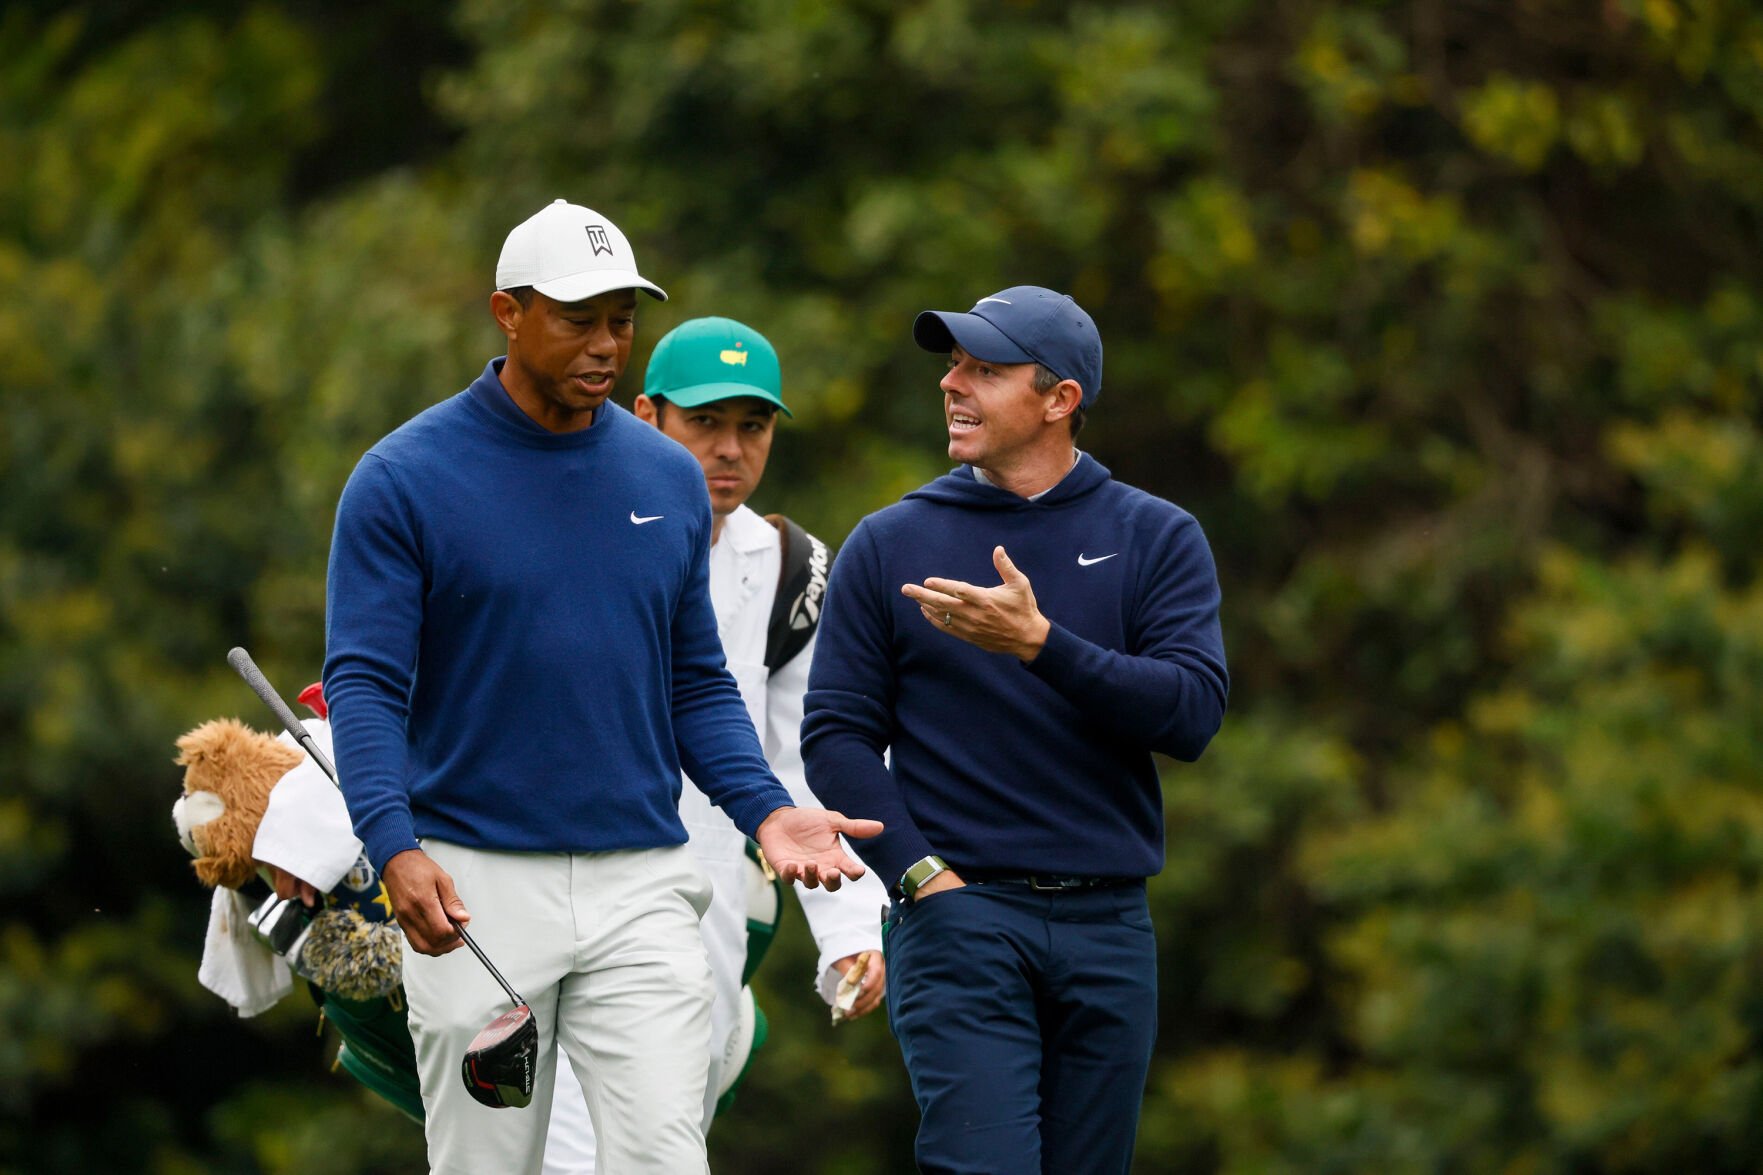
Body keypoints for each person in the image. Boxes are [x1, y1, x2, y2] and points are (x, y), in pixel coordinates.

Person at [323, 199, 880, 1175]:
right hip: (473, 882)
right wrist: (392, 846)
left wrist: (766, 810)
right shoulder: (403, 477)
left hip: (641, 881)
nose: (605, 343)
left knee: (665, 1156)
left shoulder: (663, 476)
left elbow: (697, 684)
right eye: (577, 317)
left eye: (620, 318)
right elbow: (364, 683)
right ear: (507, 311)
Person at [802, 286, 1228, 1173]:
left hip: (1108, 922)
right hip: (959, 914)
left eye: (984, 370)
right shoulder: (888, 541)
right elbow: (836, 735)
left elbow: (1190, 714)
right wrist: (921, 877)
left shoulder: (1154, 535)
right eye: (953, 365)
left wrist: (1041, 645)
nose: (952, 384)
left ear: (1058, 398)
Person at [542, 316, 889, 1172]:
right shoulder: (565, 525)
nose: (730, 448)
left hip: (706, 924)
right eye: (705, 422)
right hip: (555, 895)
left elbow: (803, 757)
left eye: (753, 425)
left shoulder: (793, 570)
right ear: (646, 414)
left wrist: (851, 923)